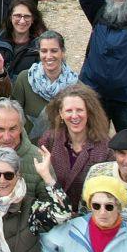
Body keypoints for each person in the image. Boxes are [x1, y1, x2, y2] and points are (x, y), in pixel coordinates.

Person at [36, 85, 113, 213]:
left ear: (88, 111)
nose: (74, 116)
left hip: (88, 218)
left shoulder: (106, 148)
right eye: (69, 111)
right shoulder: (49, 140)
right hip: (54, 215)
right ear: (61, 113)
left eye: (79, 110)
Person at [15, 31, 80, 130]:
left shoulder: (76, 86)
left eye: (54, 51)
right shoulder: (24, 79)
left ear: (62, 52)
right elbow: (14, 116)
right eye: (44, 51)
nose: (49, 56)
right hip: (31, 144)